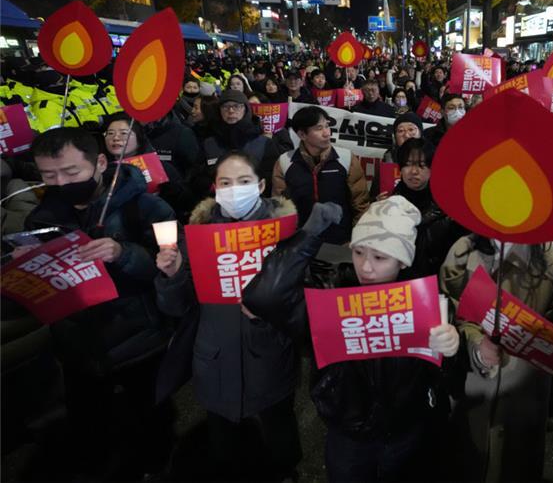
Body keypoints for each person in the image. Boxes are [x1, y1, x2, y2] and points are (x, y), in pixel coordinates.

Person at [242, 196, 462, 482]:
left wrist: (453, 347)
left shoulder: (427, 303)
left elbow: (447, 376)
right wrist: (308, 235)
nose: (366, 267)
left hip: (405, 431)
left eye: (380, 257)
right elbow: (265, 295)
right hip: (348, 434)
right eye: (359, 252)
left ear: (403, 260)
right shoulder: (333, 296)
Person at [22, 127, 176, 479]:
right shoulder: (42, 219)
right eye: (49, 175)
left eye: (71, 172)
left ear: (101, 162)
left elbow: (173, 265)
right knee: (92, 429)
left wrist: (124, 254)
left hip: (142, 340)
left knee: (151, 421)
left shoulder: (147, 206)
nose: (61, 183)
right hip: (78, 345)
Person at [154, 151, 306, 481]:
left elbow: (301, 303)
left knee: (277, 429)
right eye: (225, 183)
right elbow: (178, 308)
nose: (234, 189)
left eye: (244, 182)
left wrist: (269, 310)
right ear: (215, 188)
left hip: (269, 352)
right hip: (215, 354)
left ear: (261, 185)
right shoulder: (196, 234)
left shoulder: (286, 232)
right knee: (224, 442)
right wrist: (173, 275)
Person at [440, 231, 553, 482]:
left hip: (524, 388)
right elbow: (449, 309)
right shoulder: (462, 251)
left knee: (516, 461)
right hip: (473, 383)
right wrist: (477, 343)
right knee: (469, 456)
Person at [272, 106, 369, 244]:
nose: (327, 133)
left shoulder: (346, 158)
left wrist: (358, 239)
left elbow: (361, 204)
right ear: (302, 135)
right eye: (319, 128)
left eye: (327, 126)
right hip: (300, 244)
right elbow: (280, 208)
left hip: (342, 242)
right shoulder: (284, 162)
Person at [391, 139, 466, 278]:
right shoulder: (388, 206)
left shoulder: (449, 208)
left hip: (438, 283)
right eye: (407, 165)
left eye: (421, 165)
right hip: (400, 287)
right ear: (400, 168)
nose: (413, 171)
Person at [201, 90, 278, 197]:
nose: (231, 110)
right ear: (219, 111)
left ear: (245, 109)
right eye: (225, 107)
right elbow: (199, 177)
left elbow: (271, 180)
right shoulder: (209, 143)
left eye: (236, 106)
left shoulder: (264, 143)